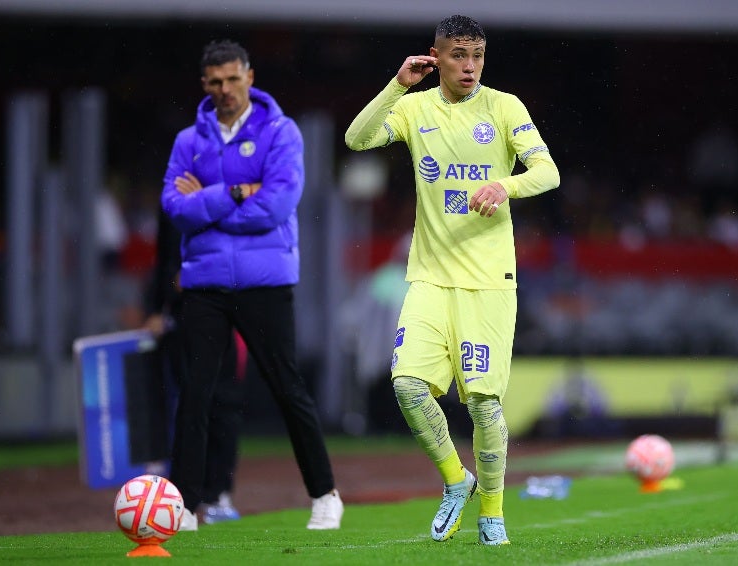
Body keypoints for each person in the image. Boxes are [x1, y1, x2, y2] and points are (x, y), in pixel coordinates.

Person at [345, 15, 560, 545]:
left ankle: (493, 512)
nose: (470, 66)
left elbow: (547, 171)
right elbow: (357, 138)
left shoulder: (504, 107)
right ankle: (454, 480)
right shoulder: (416, 108)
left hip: (488, 280)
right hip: (429, 278)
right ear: (436, 56)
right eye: (459, 55)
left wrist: (504, 186)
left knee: (483, 403)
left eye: (478, 55)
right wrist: (398, 84)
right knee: (407, 386)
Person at [162, 39, 343, 531]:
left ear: (250, 77)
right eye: (215, 82)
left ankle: (325, 493)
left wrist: (211, 203)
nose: (225, 89)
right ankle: (182, 505)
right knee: (195, 395)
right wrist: (240, 191)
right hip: (205, 283)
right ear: (205, 85)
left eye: (232, 79)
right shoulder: (187, 141)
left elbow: (278, 206)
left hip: (264, 282)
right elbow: (176, 211)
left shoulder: (281, 133)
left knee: (288, 388)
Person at [142, 205, 246, 526]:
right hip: (182, 317)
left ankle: (216, 493)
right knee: (186, 400)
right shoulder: (173, 201)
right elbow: (164, 263)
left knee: (221, 403)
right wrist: (158, 306)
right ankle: (185, 494)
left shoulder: (232, 199)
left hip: (224, 312)